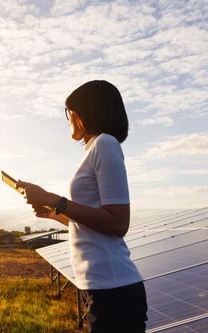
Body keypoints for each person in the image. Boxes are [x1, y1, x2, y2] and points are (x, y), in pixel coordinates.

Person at [16, 80, 148, 333]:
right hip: (100, 287)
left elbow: (118, 223)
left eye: (69, 112)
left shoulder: (105, 144)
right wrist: (56, 214)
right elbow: (93, 225)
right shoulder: (93, 149)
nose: (68, 119)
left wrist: (56, 200)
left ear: (85, 112)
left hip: (114, 290)